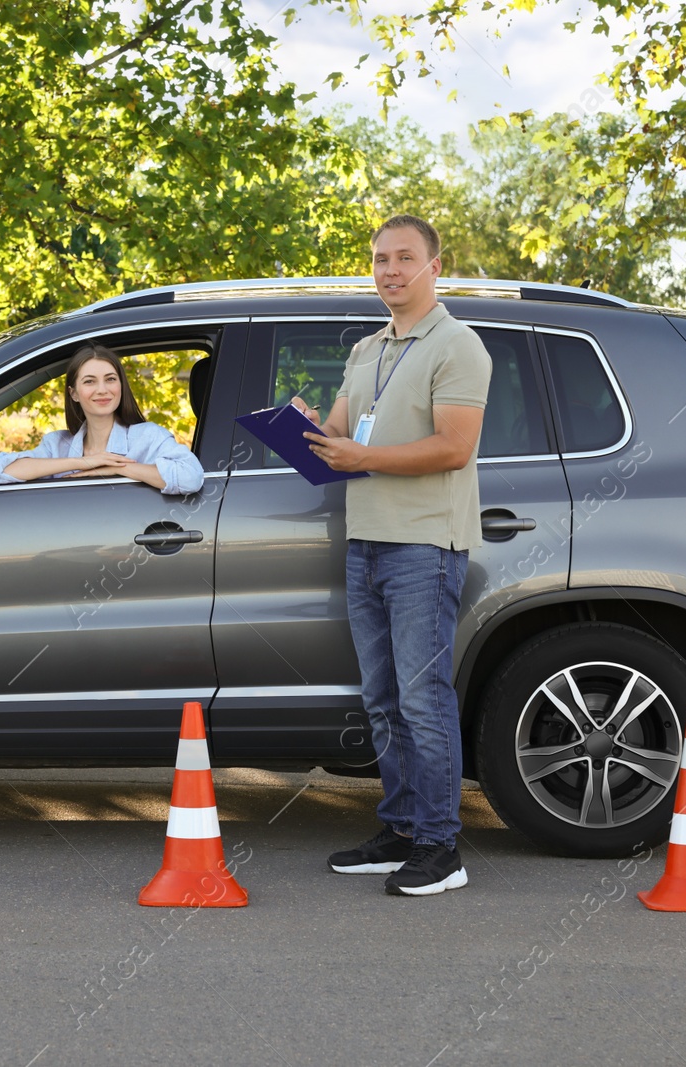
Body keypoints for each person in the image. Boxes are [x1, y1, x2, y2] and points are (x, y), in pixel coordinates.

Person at [294, 214, 492, 897]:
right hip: (366, 543)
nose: (390, 270)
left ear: (436, 265)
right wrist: (306, 431)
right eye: (380, 258)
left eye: (405, 258)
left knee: (423, 698)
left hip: (424, 547)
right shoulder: (369, 348)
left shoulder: (457, 345)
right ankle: (402, 827)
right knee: (381, 699)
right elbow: (339, 437)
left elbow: (453, 446)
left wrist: (361, 454)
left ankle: (442, 847)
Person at [0, 344, 204, 495]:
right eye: (90, 382)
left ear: (120, 386)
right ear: (74, 394)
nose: (102, 390)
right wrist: (86, 462)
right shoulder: (57, 445)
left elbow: (191, 477)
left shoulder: (148, 437)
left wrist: (118, 469)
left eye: (110, 379)